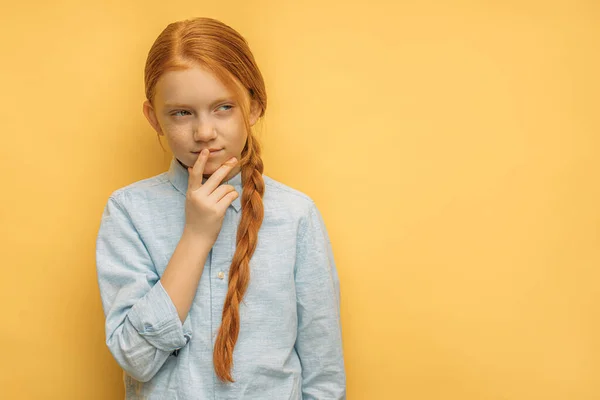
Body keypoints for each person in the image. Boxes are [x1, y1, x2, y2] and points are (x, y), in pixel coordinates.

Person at [95, 17, 346, 399]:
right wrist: (195, 238)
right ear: (154, 119)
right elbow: (136, 357)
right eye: (181, 112)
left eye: (224, 107)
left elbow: (322, 370)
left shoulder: (296, 215)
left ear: (255, 105)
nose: (204, 132)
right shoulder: (129, 212)